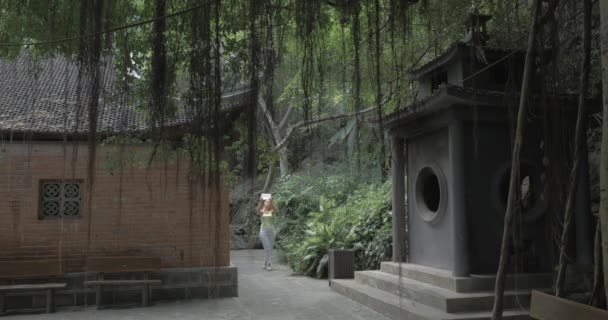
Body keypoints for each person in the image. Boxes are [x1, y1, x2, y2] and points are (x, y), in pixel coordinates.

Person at [257, 197, 277, 271]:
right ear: (264, 204)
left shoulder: (272, 211)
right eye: (266, 202)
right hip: (263, 231)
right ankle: (269, 264)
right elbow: (257, 211)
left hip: (272, 231)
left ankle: (265, 262)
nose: (267, 203)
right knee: (267, 247)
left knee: (269, 249)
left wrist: (272, 202)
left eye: (269, 202)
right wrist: (261, 202)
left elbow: (276, 210)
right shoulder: (262, 211)